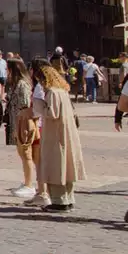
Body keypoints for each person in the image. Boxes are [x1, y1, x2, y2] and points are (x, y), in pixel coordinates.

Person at [34, 65, 86, 211]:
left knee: (56, 166)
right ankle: (68, 198)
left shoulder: (52, 92)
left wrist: (39, 105)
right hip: (67, 134)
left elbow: (52, 113)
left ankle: (59, 201)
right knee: (67, 166)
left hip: (56, 135)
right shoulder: (63, 91)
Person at [5, 58, 39, 201]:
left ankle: (29, 184)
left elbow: (25, 105)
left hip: (23, 124)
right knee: (23, 154)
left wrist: (19, 126)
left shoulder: (22, 84)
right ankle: (27, 181)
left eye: (8, 69)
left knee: (26, 154)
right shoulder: (16, 84)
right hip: (17, 122)